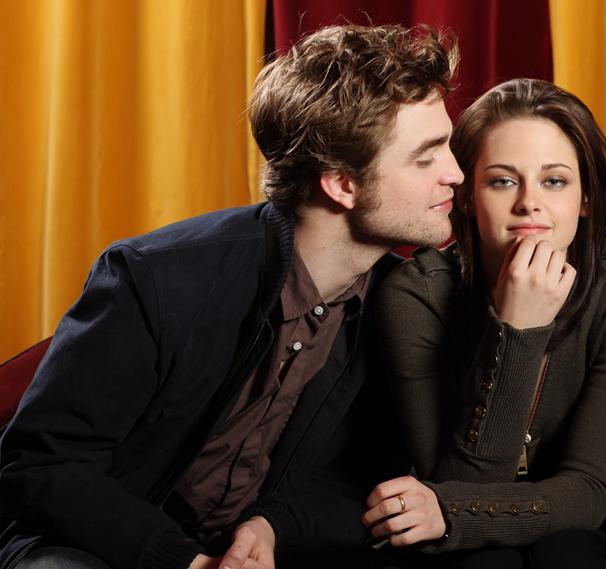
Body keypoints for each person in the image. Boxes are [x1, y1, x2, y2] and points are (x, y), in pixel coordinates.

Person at [0, 24, 463, 569]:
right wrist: (185, 561)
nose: (456, 173)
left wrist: (272, 527)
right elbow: (41, 464)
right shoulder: (156, 277)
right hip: (99, 549)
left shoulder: (402, 300)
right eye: (426, 158)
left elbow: (368, 473)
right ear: (341, 184)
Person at [364, 78, 606, 568]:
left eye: (554, 181)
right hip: (457, 554)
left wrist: (454, 512)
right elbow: (459, 484)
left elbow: (588, 491)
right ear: (466, 196)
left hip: (576, 540)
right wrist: (517, 332)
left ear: (585, 199)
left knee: (571, 554)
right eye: (502, 181)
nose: (529, 202)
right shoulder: (416, 295)